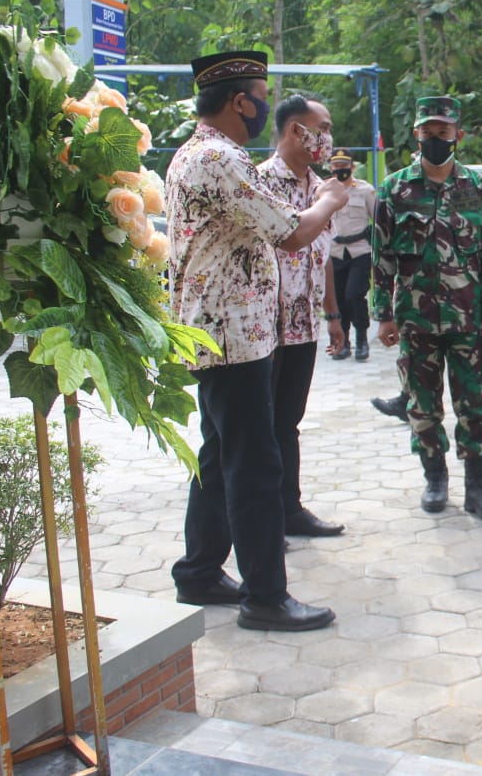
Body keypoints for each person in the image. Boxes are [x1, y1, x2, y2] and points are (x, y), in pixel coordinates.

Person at [167, 51, 345, 631]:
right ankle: (266, 597)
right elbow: (291, 233)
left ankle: (198, 572)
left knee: (219, 458)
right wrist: (329, 201)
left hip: (219, 331)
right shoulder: (219, 158)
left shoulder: (193, 153)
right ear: (240, 101)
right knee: (254, 466)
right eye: (260, 94)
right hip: (231, 336)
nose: (264, 104)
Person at [371, 96, 482, 522]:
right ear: (416, 135)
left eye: (442, 133)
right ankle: (435, 480)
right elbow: (382, 256)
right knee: (423, 407)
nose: (435, 139)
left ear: (457, 136)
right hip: (415, 319)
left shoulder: (480, 190)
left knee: (475, 405)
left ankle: (478, 489)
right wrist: (384, 314)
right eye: (427, 132)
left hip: (467, 318)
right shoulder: (394, 190)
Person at [258, 95, 347, 539]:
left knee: (288, 421)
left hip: (302, 327)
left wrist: (332, 314)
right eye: (323, 128)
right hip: (262, 332)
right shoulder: (259, 183)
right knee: (259, 429)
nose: (328, 139)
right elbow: (290, 237)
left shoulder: (319, 187)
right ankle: (262, 520)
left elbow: (323, 254)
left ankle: (288, 509)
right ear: (297, 130)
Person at [327, 148, 377, 361]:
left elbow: (378, 217)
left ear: (352, 167)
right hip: (335, 252)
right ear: (331, 167)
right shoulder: (324, 191)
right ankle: (343, 342)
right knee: (339, 298)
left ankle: (362, 340)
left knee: (354, 295)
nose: (340, 169)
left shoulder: (365, 190)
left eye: (344, 165)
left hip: (359, 250)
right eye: (336, 166)